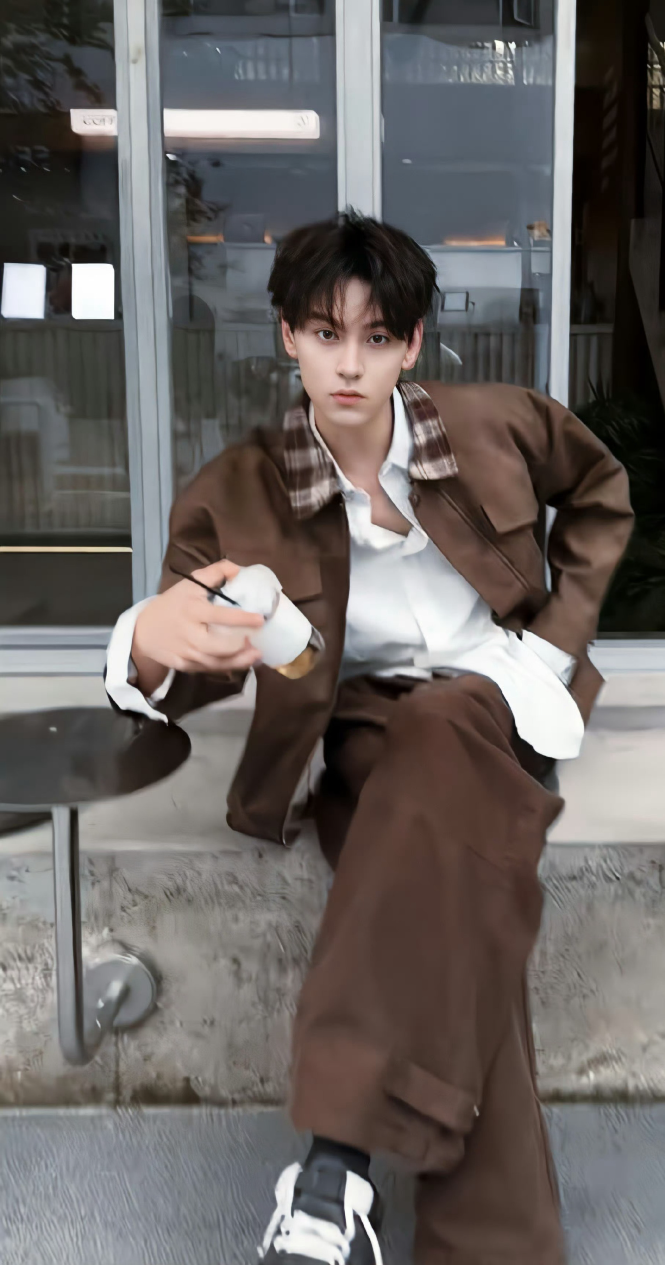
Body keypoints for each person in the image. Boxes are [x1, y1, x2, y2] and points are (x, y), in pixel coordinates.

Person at [104, 211, 633, 1265]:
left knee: (442, 721)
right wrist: (145, 642)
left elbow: (601, 492)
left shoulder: (496, 425)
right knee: (456, 905)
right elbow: (192, 645)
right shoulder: (237, 489)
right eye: (324, 333)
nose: (349, 365)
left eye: (376, 337)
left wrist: (553, 645)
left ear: (412, 343)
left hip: (498, 706)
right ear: (288, 337)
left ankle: (334, 1167)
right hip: (359, 733)